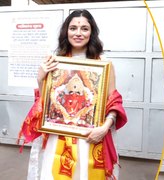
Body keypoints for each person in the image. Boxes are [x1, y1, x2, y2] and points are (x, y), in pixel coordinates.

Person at [18, 9, 127, 180]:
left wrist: (104, 128)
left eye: (84, 28)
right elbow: (45, 102)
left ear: (92, 33)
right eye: (73, 28)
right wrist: (40, 79)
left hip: (90, 135)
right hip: (59, 134)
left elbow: (113, 102)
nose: (78, 33)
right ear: (66, 31)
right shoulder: (55, 62)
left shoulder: (104, 65)